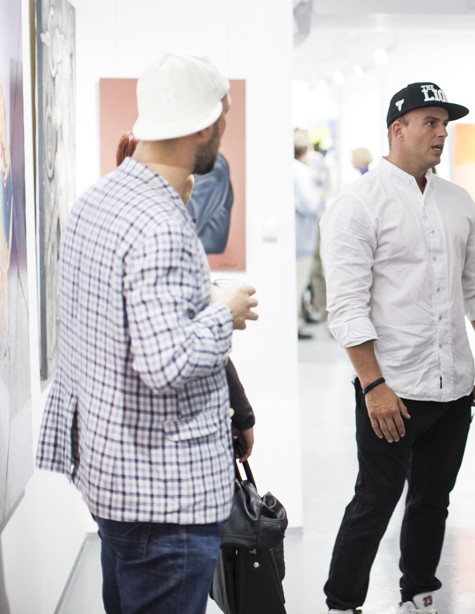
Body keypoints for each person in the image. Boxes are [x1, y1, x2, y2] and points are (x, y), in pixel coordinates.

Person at [35, 52, 259, 614]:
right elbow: (166, 364)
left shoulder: (97, 200)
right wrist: (223, 311)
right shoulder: (160, 222)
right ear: (204, 126)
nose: (224, 128)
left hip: (114, 475)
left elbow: (119, 326)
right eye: (224, 116)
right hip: (165, 497)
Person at [320, 81, 475, 614]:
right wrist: (373, 384)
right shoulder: (357, 204)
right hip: (392, 388)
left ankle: (419, 594)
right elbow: (347, 307)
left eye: (445, 124)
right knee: (375, 500)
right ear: (397, 129)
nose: (442, 133)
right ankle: (341, 603)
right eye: (431, 122)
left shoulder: (458, 201)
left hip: (454, 386)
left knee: (433, 500)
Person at [294, 129, 322, 339]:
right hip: (301, 239)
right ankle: (296, 325)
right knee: (298, 283)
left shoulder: (290, 169)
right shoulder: (301, 171)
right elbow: (309, 203)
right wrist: (319, 196)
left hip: (297, 237)